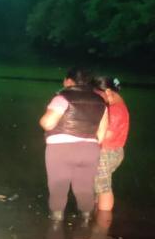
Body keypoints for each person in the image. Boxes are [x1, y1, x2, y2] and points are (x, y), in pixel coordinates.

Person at [39, 67, 108, 223]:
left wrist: (42, 119)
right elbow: (102, 132)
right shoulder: (100, 101)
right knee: (85, 188)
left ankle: (56, 224)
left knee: (59, 186)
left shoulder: (62, 98)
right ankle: (86, 220)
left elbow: (48, 123)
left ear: (69, 81)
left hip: (61, 150)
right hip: (91, 150)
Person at [93, 76, 129, 212]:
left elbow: (105, 134)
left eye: (97, 95)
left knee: (103, 189)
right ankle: (97, 215)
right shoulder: (118, 107)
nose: (96, 98)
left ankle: (103, 224)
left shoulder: (114, 110)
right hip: (113, 151)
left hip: (105, 153)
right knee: (100, 186)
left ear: (108, 92)